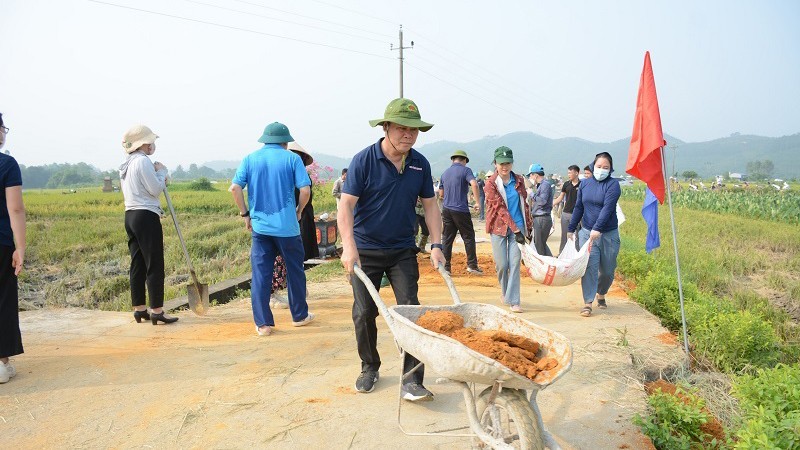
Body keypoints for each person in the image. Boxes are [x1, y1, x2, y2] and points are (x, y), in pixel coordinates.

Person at [338, 98, 445, 400]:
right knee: (364, 312)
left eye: (414, 130)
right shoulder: (364, 161)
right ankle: (369, 366)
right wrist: (349, 248)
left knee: (411, 310)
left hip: (402, 250)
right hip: (365, 250)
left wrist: (436, 244)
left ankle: (412, 379)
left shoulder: (419, 164)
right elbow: (346, 206)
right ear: (386, 127)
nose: (408, 135)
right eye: (401, 128)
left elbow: (430, 206)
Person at [231, 122, 315, 336]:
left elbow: (235, 188)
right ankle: (299, 316)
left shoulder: (250, 159)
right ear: (285, 142)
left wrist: (245, 214)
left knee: (261, 274)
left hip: (261, 228)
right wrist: (298, 211)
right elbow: (305, 190)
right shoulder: (292, 159)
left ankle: (263, 324)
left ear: (264, 140)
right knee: (295, 271)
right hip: (288, 228)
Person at [119, 125, 178, 326]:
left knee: (138, 263)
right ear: (144, 144)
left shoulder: (126, 164)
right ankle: (157, 310)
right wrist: (162, 173)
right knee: (154, 262)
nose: (153, 145)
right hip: (146, 215)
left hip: (130, 215)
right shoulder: (143, 162)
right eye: (151, 141)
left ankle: (139, 309)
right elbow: (154, 190)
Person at [568, 152, 622, 317]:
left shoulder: (613, 185)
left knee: (607, 270)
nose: (602, 170)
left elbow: (607, 208)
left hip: (608, 234)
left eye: (606, 167)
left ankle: (601, 292)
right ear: (593, 166)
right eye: (599, 166)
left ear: (610, 169)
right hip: (587, 233)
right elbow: (579, 207)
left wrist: (598, 228)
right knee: (590, 268)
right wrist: (571, 228)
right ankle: (588, 302)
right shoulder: (585, 185)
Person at [485, 146, 531, 313]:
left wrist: (527, 230)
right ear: (495, 163)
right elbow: (500, 209)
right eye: (501, 163)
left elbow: (525, 205)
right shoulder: (490, 184)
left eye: (508, 163)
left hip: (518, 227)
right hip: (498, 227)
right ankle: (505, 291)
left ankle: (514, 300)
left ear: (512, 163)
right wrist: (517, 230)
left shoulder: (518, 180)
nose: (505, 167)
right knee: (502, 265)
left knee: (515, 263)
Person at [0, 113, 26, 383]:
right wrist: (20, 247)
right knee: (3, 299)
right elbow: (15, 208)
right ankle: (0, 361)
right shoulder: (6, 164)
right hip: (2, 242)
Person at [439, 150, 482, 275]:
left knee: (447, 238)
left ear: (453, 160)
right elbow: (474, 184)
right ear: (464, 161)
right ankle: (472, 265)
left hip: (447, 210)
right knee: (468, 237)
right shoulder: (466, 170)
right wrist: (477, 202)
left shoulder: (445, 173)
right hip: (461, 210)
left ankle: (446, 268)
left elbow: (441, 194)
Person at [288, 142, 319, 261]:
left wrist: (298, 210)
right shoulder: (302, 174)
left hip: (299, 214)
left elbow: (304, 193)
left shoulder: (299, 175)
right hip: (299, 213)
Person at [553, 165, 581, 253]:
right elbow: (560, 198)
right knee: (564, 236)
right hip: (565, 214)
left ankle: (576, 256)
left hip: (577, 215)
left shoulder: (582, 185)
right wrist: (551, 204)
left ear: (576, 173)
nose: (568, 174)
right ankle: (561, 254)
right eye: (568, 172)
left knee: (576, 237)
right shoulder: (566, 184)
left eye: (570, 172)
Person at [527, 163, 553, 257]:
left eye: (530, 175)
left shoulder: (545, 185)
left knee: (539, 245)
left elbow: (542, 201)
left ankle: (547, 265)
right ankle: (551, 264)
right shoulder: (540, 186)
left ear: (535, 175)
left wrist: (532, 194)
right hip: (540, 218)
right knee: (541, 244)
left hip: (542, 218)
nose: (530, 177)